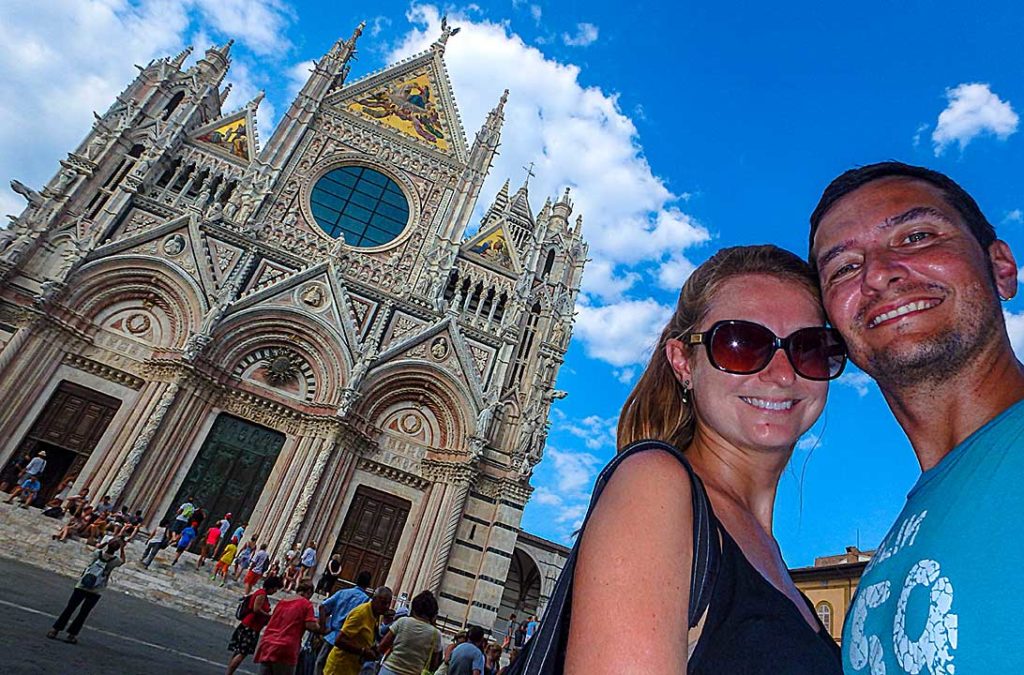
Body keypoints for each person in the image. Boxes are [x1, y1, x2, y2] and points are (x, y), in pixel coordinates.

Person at [563, 246, 846, 673]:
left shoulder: (769, 557)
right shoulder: (654, 486)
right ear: (683, 363)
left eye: (808, 347)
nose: (783, 373)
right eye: (741, 343)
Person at [808, 161, 1024, 672]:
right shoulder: (893, 556)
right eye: (844, 268)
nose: (878, 275)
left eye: (917, 236)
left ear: (1001, 268)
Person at [46, 538, 125, 643]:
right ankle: (72, 635)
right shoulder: (115, 561)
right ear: (117, 549)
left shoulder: (98, 554)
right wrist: (123, 548)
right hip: (97, 589)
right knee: (83, 613)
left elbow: (96, 549)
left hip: (82, 585)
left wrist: (105, 542)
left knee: (70, 608)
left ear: (108, 545)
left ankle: (55, 630)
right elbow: (123, 560)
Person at [254, 580, 321, 674]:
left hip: (268, 642)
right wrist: (321, 626)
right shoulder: (306, 604)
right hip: (286, 646)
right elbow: (310, 625)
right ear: (309, 592)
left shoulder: (283, 601)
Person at [323, 586, 393, 675]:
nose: (386, 607)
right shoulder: (361, 614)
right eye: (383, 603)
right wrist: (363, 651)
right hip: (339, 667)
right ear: (374, 599)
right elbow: (339, 640)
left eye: (388, 604)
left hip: (352, 668)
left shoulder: (376, 615)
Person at [317, 570, 373, 673]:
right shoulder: (366, 602)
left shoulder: (343, 593)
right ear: (369, 584)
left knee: (321, 665)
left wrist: (322, 628)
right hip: (347, 642)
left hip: (331, 636)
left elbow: (322, 607)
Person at [226, 575, 283, 675]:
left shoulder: (262, 594)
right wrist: (269, 616)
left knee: (238, 652)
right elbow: (256, 609)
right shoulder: (261, 594)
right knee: (242, 653)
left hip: (249, 625)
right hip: (251, 627)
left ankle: (229, 672)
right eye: (275, 589)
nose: (275, 591)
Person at [377, 590, 443, 675]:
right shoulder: (435, 634)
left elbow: (382, 646)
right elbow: (433, 664)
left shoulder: (402, 622)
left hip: (389, 670)